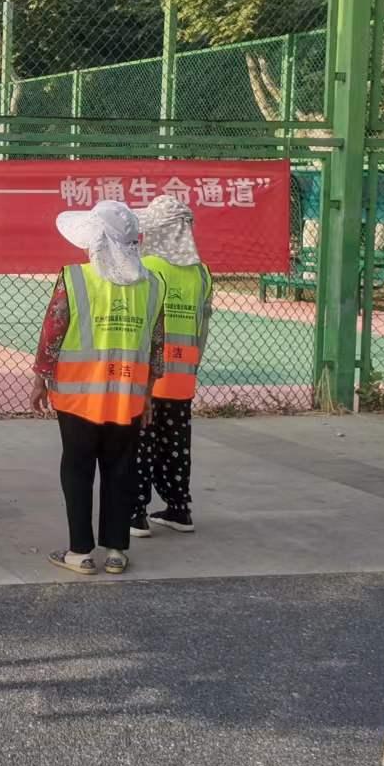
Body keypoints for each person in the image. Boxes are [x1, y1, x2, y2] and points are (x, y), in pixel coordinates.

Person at [28, 200, 163, 576]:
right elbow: (156, 344)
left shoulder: (75, 278)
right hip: (128, 395)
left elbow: (53, 331)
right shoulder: (153, 284)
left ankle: (80, 551)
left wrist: (40, 378)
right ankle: (116, 550)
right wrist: (148, 394)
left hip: (78, 396)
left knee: (77, 467)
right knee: (122, 468)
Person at [131, 195, 212, 537]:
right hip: (182, 377)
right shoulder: (201, 273)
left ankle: (136, 513)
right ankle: (179, 508)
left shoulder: (147, 268)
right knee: (176, 444)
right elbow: (202, 328)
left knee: (141, 443)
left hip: (148, 375)